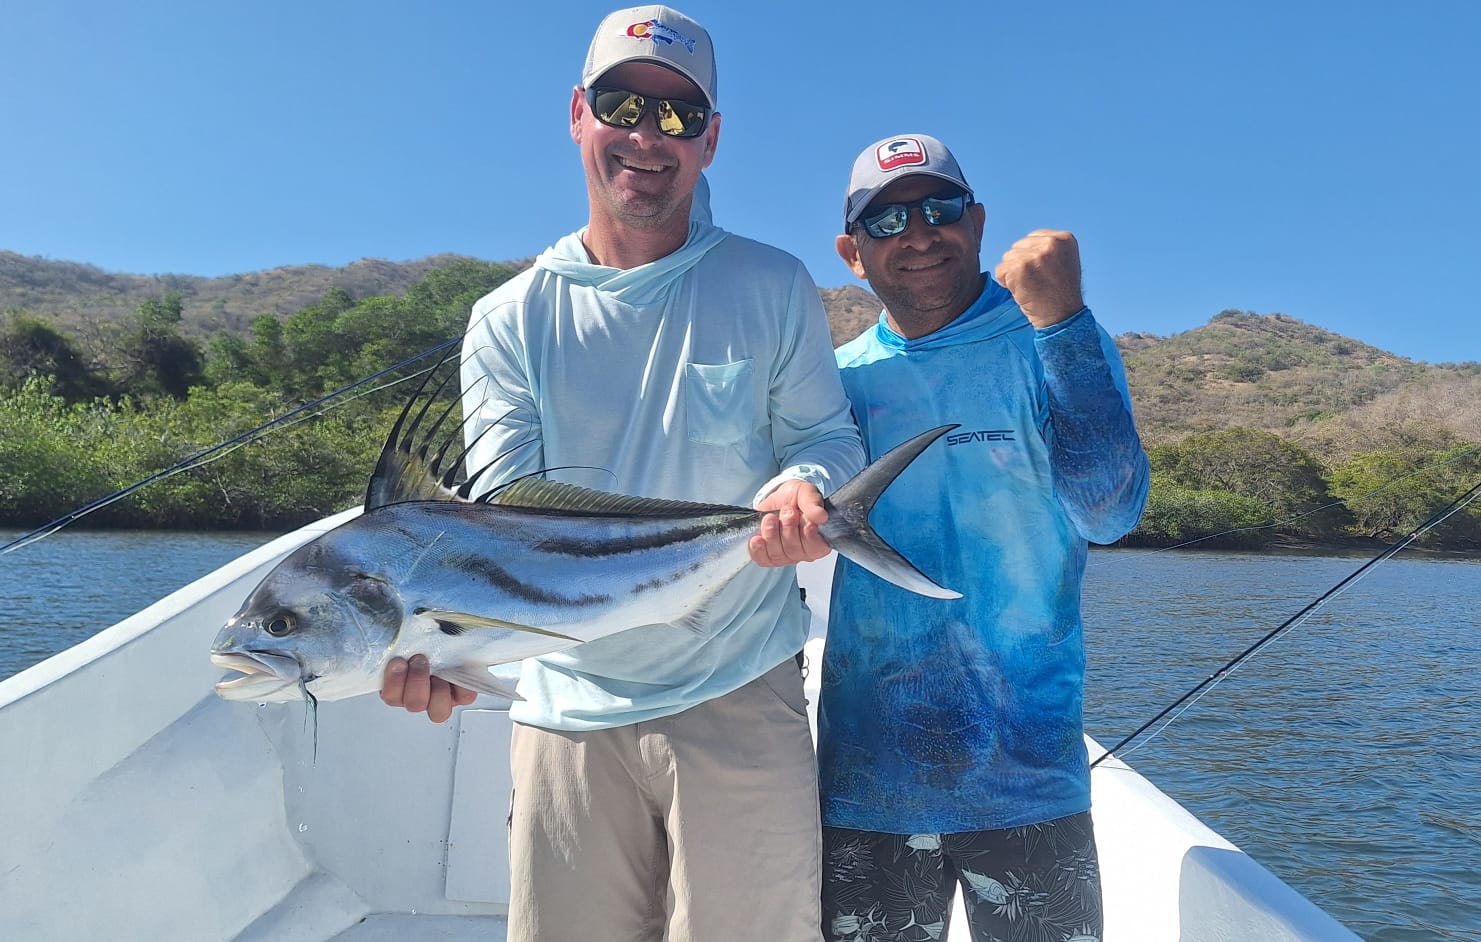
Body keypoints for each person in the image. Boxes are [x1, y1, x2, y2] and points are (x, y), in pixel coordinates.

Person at [381, 6, 861, 941]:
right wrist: (445, 652)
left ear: (711, 140)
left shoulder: (771, 285)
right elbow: (508, 519)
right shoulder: (509, 317)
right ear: (577, 113)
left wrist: (804, 482)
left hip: (739, 681)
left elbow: (827, 437)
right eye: (621, 105)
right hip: (565, 704)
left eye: (679, 117)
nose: (648, 136)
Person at [818, 134, 1150, 942]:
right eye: (887, 219)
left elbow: (1109, 512)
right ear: (851, 253)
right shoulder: (836, 379)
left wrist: (1064, 322)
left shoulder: (1047, 336)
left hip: (1028, 782)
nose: (919, 234)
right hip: (867, 783)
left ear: (976, 221)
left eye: (940, 209)